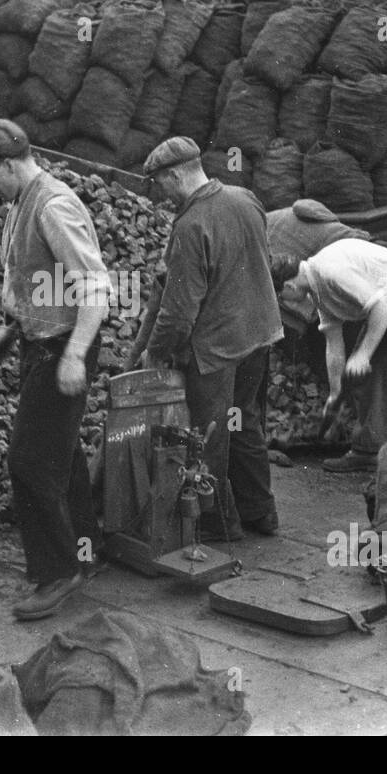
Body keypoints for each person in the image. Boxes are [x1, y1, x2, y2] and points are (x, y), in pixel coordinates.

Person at [0, 119, 112, 621]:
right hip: (39, 341)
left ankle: (57, 573)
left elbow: (95, 286)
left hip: (62, 349)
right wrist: (14, 327)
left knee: (28, 464)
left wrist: (74, 355)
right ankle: (85, 551)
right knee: (61, 455)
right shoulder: (21, 203)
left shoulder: (52, 205)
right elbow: (38, 279)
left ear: (7, 163)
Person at [138, 137, 285, 540]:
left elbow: (179, 313)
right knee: (246, 424)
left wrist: (155, 353)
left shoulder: (191, 225)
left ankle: (220, 527)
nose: (161, 195)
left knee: (210, 437)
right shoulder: (245, 198)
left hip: (217, 349)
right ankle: (262, 514)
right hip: (260, 334)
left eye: (159, 184)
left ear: (173, 175)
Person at [279, 237, 387, 474]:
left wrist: (363, 354)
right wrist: (335, 392)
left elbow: (381, 304)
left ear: (289, 287)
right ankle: (368, 452)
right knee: (368, 376)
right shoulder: (316, 286)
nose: (282, 302)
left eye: (280, 297)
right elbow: (334, 344)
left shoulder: (330, 272)